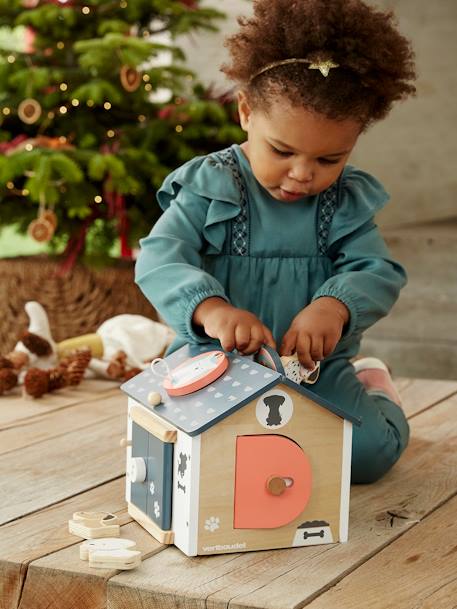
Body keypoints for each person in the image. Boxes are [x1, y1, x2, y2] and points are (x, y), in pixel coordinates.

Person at [135, 0, 417, 483]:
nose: (303, 173)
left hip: (313, 368)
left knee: (364, 457)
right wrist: (213, 310)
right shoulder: (211, 186)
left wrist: (333, 306)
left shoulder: (343, 203)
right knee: (194, 456)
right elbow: (160, 258)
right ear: (246, 112)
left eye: (330, 159)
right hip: (214, 364)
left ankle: (376, 390)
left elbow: (377, 270)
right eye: (282, 151)